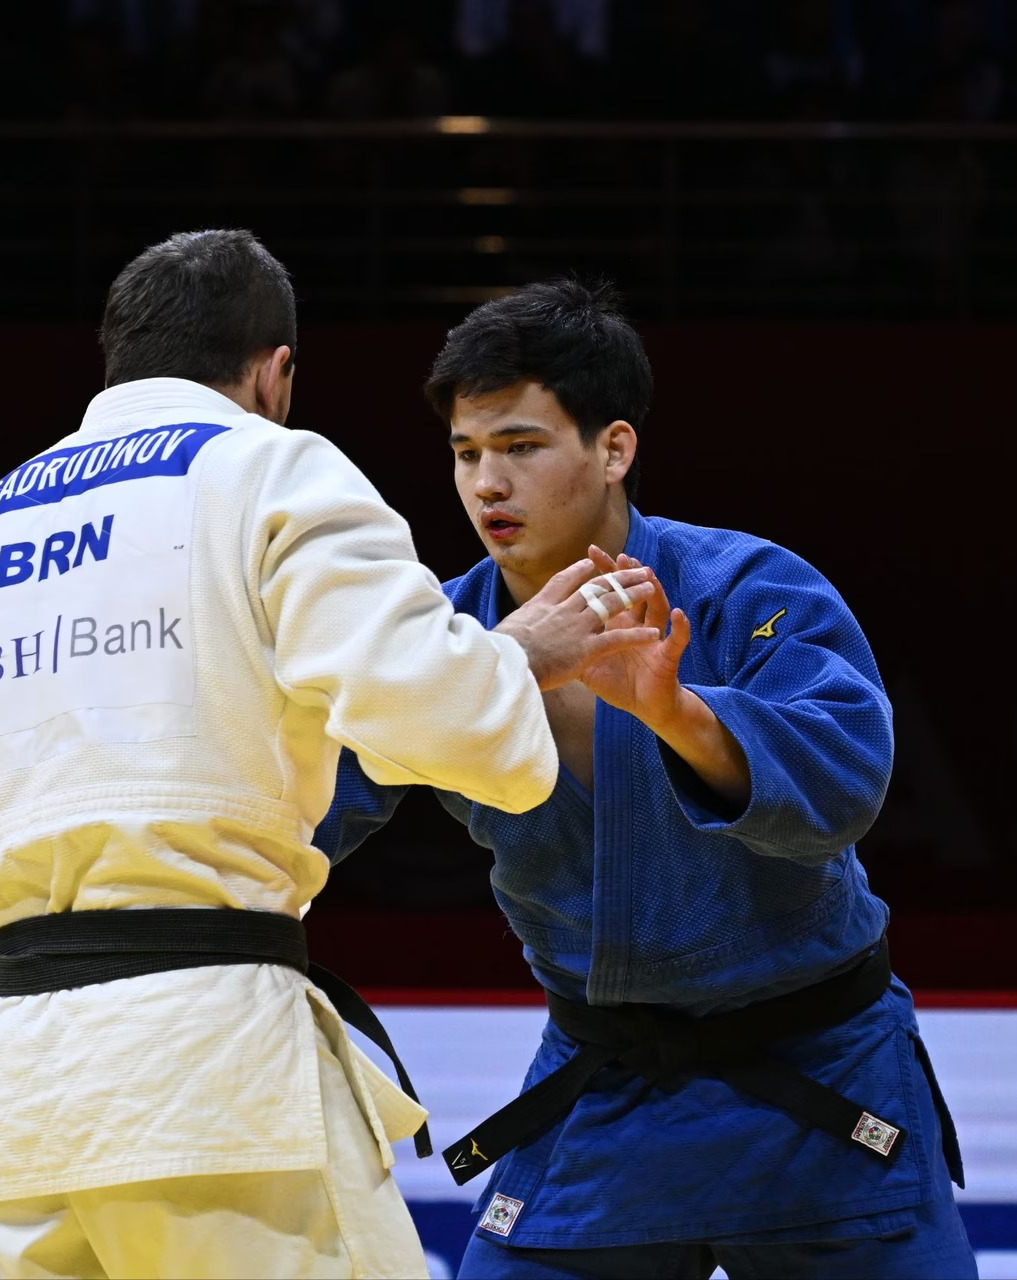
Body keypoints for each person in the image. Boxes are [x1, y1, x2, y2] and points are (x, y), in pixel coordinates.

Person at [0, 230, 663, 1279]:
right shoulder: (273, 470)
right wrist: (516, 658)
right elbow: (432, 713)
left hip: (15, 1086)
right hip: (210, 1068)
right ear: (274, 372)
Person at [316, 279, 976, 1279]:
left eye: (522, 446)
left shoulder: (746, 587)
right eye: (467, 452)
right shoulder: (446, 646)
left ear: (614, 448)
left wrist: (677, 712)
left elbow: (846, 780)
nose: (488, 483)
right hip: (606, 1086)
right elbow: (296, 813)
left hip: (818, 1081)